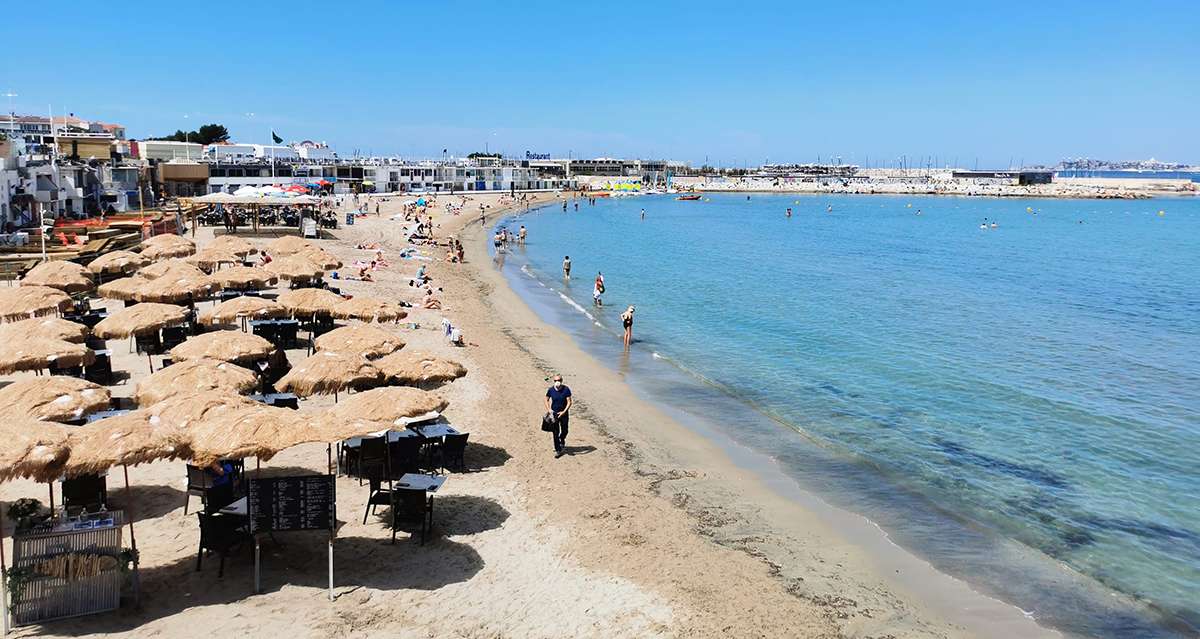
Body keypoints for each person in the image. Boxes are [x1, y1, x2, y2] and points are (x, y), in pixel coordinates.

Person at [545, 374, 573, 457]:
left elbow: (569, 402)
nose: (557, 382)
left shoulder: (566, 389)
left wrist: (564, 412)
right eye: (555, 380)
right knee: (555, 432)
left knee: (565, 430)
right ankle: (558, 450)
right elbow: (546, 399)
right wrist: (549, 409)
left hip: (564, 414)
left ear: (562, 381)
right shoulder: (551, 390)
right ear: (553, 381)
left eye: (559, 380)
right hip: (554, 414)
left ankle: (562, 439)